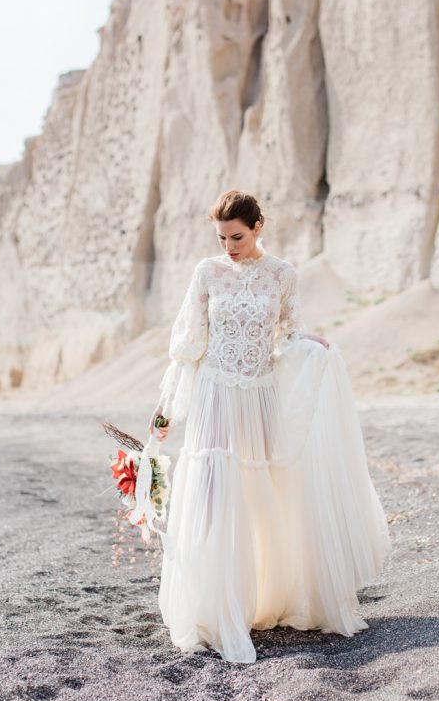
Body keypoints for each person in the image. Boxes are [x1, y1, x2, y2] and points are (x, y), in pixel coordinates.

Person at [148, 189, 391, 664]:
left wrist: (312, 344)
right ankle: (215, 607)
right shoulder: (207, 272)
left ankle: (263, 597)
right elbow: (187, 345)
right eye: (221, 237)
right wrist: (164, 413)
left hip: (259, 397)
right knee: (216, 496)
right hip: (215, 398)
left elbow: (288, 334)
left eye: (236, 236)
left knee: (259, 497)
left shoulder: (283, 274)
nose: (228, 247)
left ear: (258, 228)